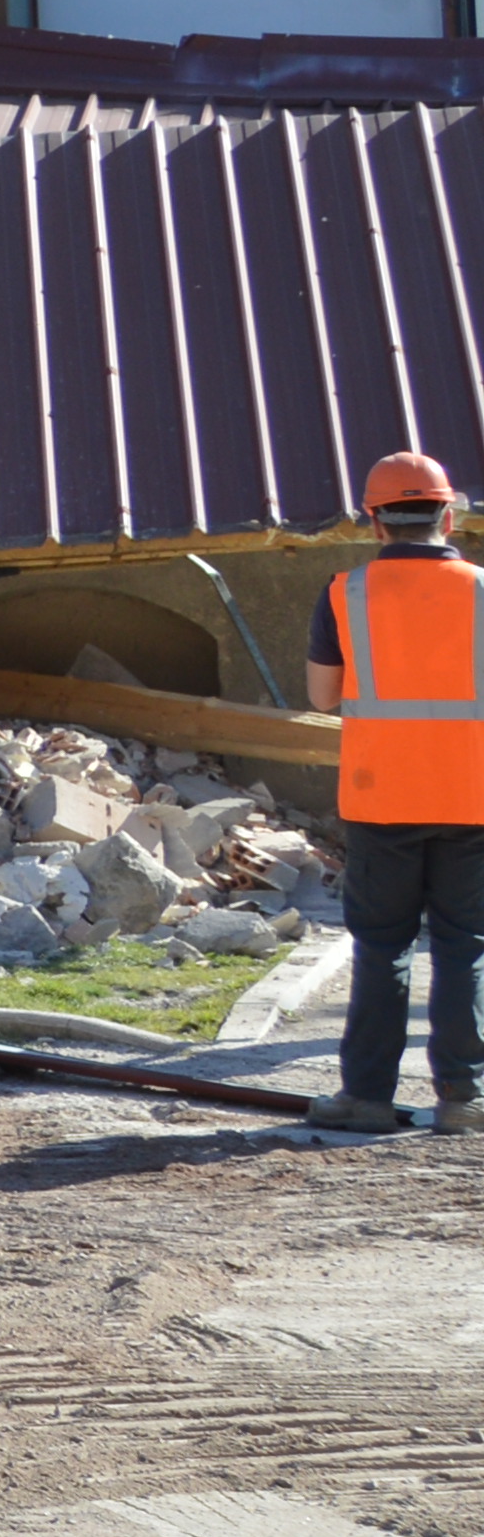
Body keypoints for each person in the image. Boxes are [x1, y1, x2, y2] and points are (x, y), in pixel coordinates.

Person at [315, 449, 484, 1135]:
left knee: (382, 947)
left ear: (375, 523)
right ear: (449, 514)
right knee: (464, 945)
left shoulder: (343, 592)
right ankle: (464, 1100)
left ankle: (367, 1098)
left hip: (381, 799)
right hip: (472, 798)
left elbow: (323, 695)